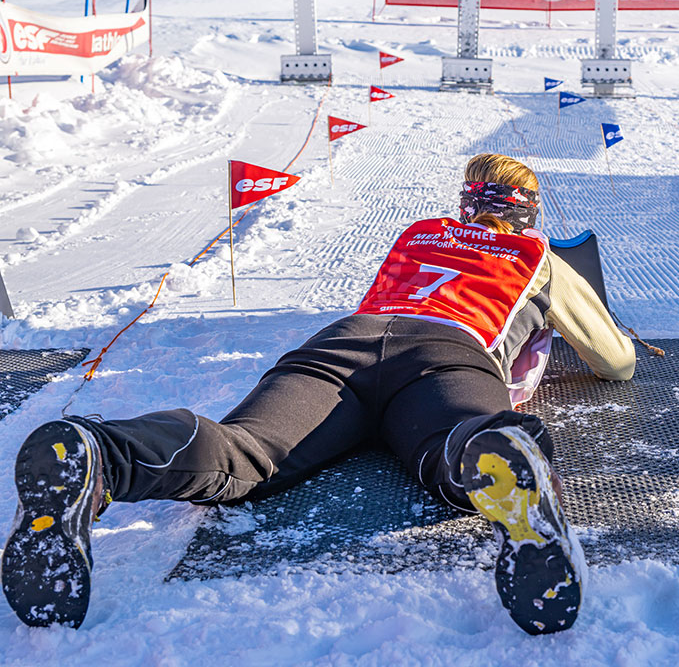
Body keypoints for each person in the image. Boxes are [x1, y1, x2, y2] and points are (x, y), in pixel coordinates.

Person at [1, 153, 636, 634]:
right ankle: (497, 452)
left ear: (465, 203)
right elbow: (616, 361)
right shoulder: (538, 257)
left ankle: (101, 453)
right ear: (528, 209)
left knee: (248, 452)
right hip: (448, 354)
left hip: (343, 346)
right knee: (456, 444)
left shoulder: (421, 234)